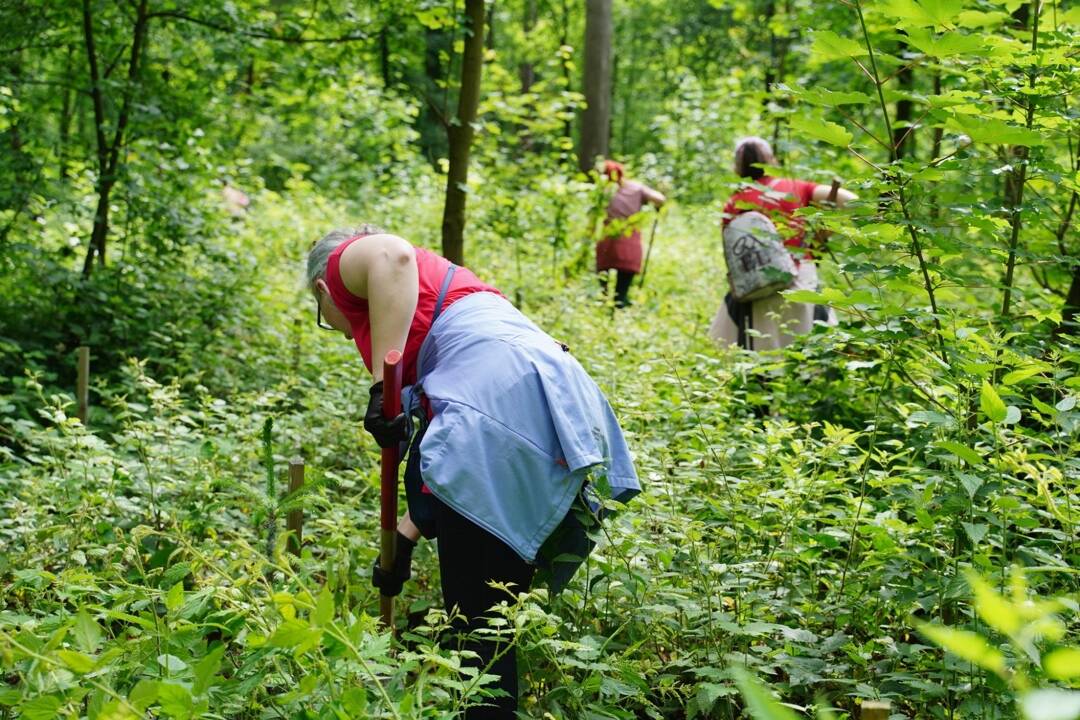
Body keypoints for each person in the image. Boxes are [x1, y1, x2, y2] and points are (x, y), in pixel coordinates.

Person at [306, 227, 639, 718]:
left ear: (321, 292)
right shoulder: (448, 297)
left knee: (478, 622)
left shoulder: (344, 268)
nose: (340, 328)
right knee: (491, 609)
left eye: (326, 320)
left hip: (500, 408)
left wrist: (383, 388)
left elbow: (390, 254)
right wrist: (404, 537)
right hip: (545, 400)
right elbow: (448, 457)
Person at [708, 137, 857, 351]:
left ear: (738, 167)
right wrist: (823, 235)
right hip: (800, 279)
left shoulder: (733, 203)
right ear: (771, 160)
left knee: (764, 359)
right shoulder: (796, 188)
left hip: (756, 288)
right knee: (812, 355)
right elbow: (850, 200)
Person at [594, 160, 666, 308]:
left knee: (604, 286)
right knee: (622, 289)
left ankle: (607, 308)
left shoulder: (604, 191)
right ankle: (619, 307)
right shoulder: (636, 188)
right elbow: (660, 199)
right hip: (629, 239)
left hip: (607, 239)